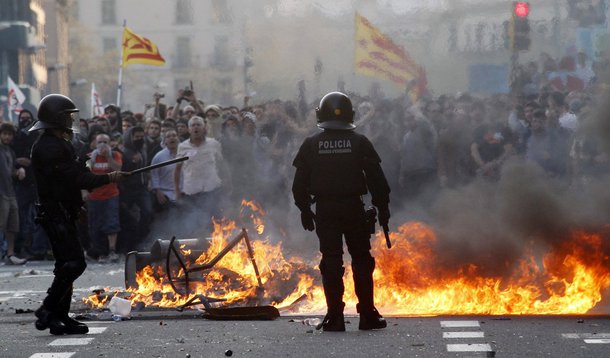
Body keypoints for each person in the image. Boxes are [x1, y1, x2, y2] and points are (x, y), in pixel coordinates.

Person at [28, 94, 127, 335]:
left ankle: (59, 317)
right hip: (54, 213)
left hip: (63, 211)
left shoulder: (58, 142)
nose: (71, 120)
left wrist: (77, 205)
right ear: (56, 118)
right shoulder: (48, 147)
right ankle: (48, 309)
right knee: (74, 263)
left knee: (66, 265)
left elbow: (69, 179)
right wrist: (109, 177)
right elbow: (76, 178)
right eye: (67, 116)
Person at [291, 92, 390, 332]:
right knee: (362, 260)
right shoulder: (360, 142)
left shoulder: (311, 144)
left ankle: (334, 316)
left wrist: (305, 209)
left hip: (325, 210)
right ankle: (367, 314)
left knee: (331, 260)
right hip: (353, 208)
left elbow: (298, 184)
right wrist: (383, 208)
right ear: (350, 114)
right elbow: (377, 180)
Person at [84, 133, 122, 263]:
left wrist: (108, 157)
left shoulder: (115, 155)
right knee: (95, 226)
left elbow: (118, 170)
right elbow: (83, 176)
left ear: (110, 143)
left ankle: (112, 250)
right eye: (100, 142)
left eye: (105, 142)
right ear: (95, 143)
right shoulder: (90, 157)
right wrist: (84, 192)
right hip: (95, 196)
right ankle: (100, 252)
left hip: (111, 195)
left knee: (112, 223)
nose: (102, 145)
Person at [0, 122, 27, 265]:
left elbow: (9, 172)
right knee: (1, 224)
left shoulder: (10, 152)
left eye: (9, 134)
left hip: (10, 192)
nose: (7, 137)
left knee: (12, 225)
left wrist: (18, 171)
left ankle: (10, 254)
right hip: (1, 192)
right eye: (4, 134)